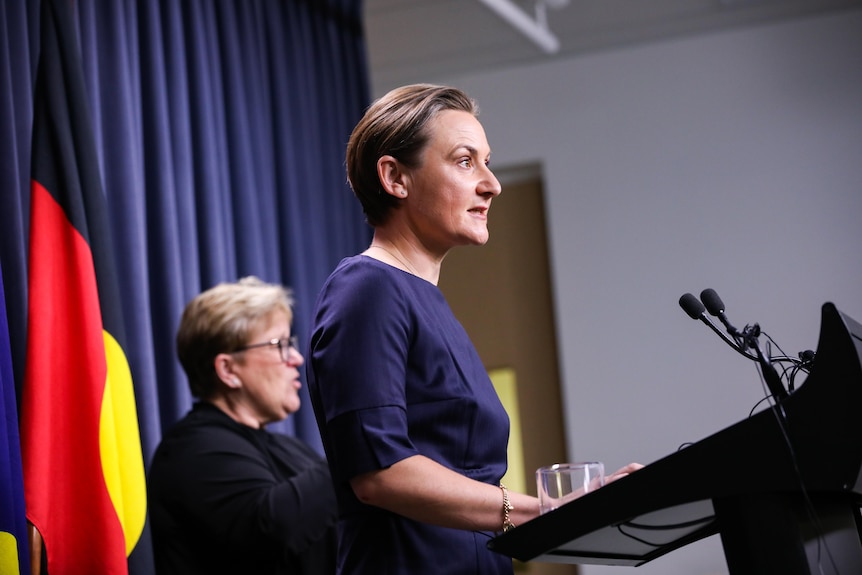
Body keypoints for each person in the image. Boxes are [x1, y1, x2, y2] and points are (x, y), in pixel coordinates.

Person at [306, 84, 641, 574]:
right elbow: (381, 473)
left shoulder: (420, 298)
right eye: (465, 161)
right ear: (395, 177)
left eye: (487, 162)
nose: (491, 184)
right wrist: (550, 510)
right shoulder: (367, 289)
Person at [148, 277, 337, 575]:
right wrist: (360, 447)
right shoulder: (193, 450)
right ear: (228, 369)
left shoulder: (291, 450)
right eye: (280, 345)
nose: (298, 358)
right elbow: (273, 531)